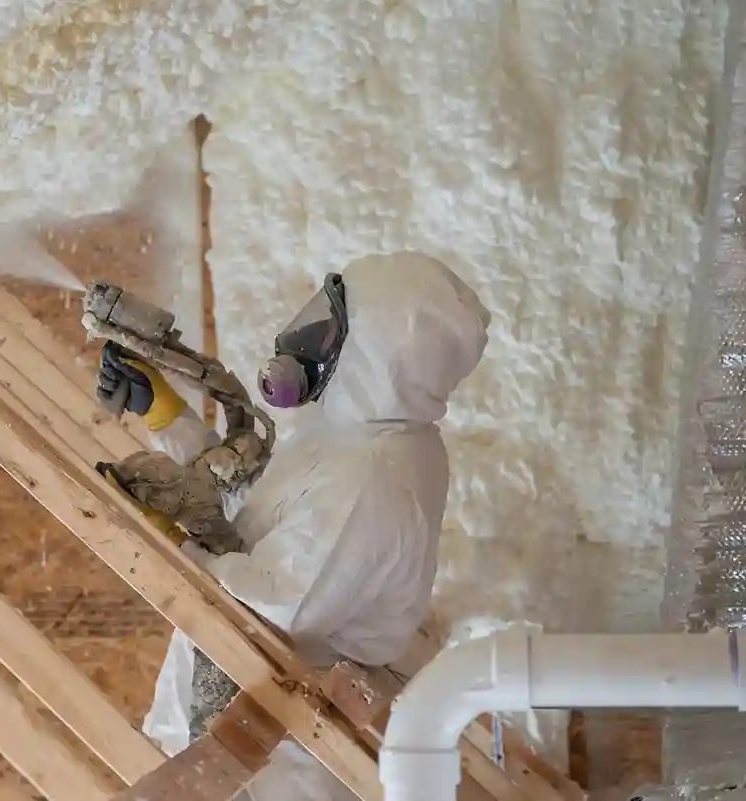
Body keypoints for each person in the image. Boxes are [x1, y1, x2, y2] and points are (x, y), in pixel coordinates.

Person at [96, 251, 491, 793]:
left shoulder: (376, 478)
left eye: (332, 329)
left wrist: (168, 541)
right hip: (240, 730)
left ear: (378, 351)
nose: (308, 340)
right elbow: (251, 525)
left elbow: (271, 608)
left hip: (275, 762)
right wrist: (168, 418)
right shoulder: (354, 435)